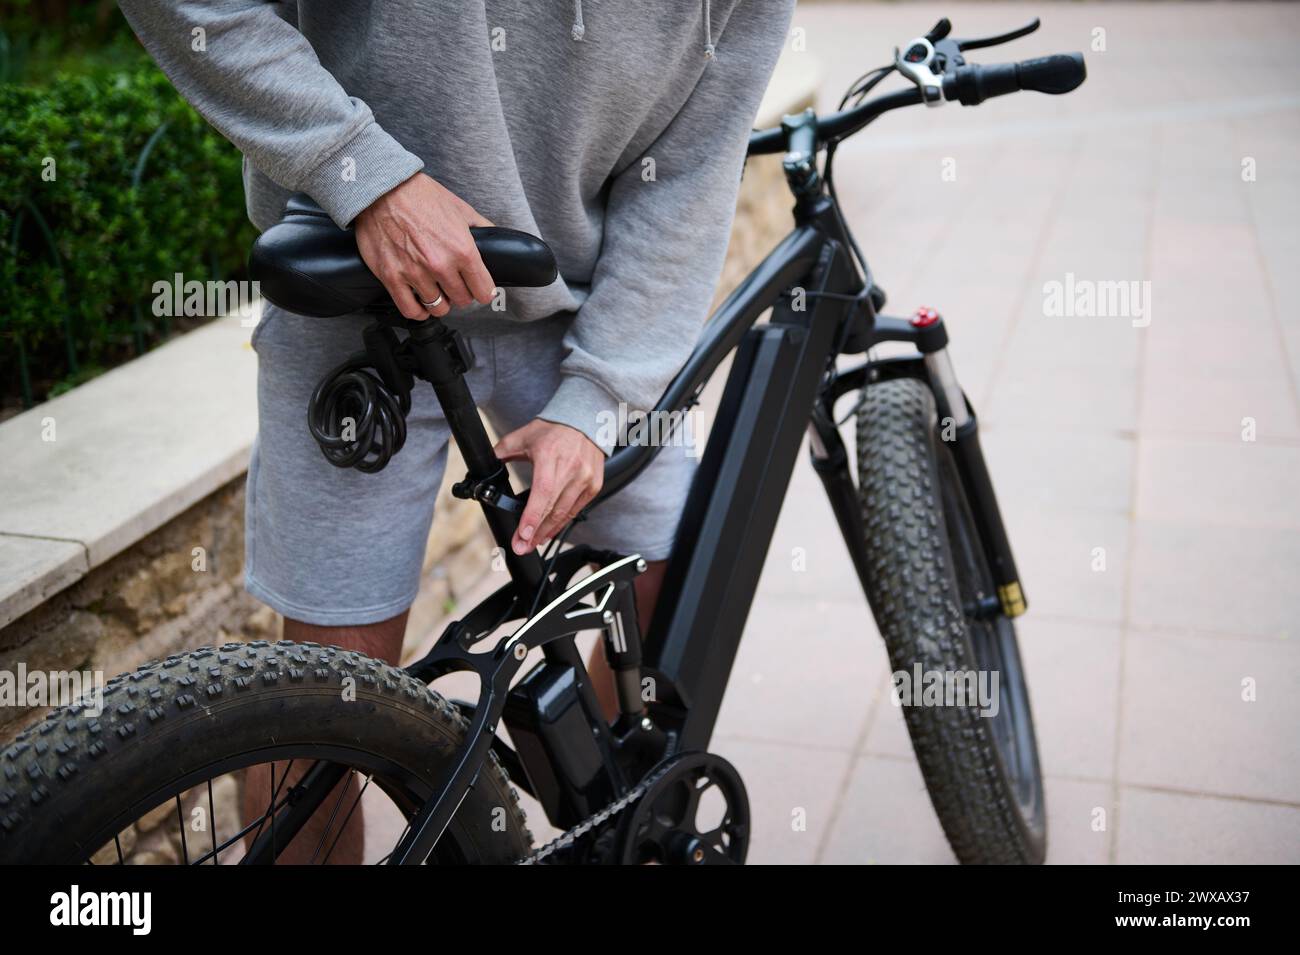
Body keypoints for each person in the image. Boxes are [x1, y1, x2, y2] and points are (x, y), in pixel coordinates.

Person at [119, 0, 796, 862]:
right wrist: (360, 170)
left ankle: (599, 833)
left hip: (572, 305)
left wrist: (597, 401)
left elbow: (691, 171)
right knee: (329, 701)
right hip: (358, 282)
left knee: (682, 561)